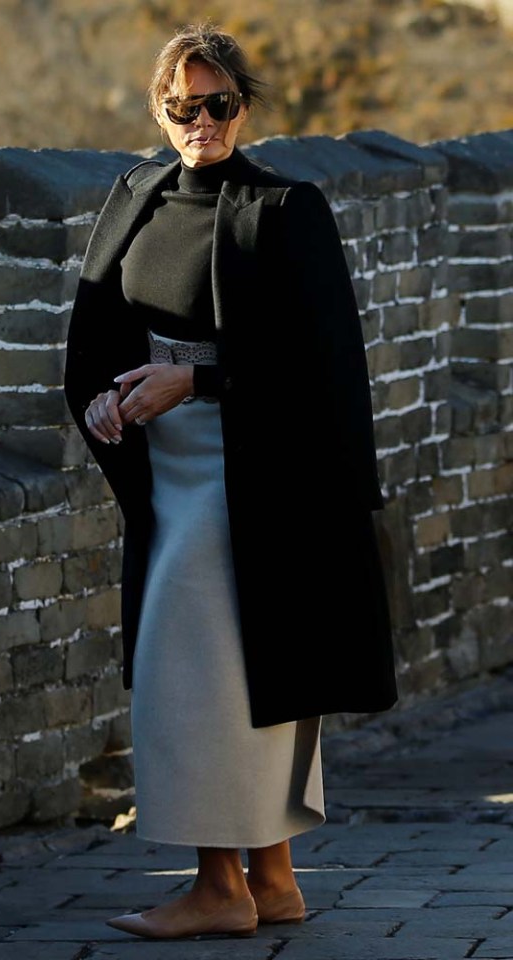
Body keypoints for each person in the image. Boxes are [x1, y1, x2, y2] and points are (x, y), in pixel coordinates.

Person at [64, 22, 398, 940]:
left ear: (241, 106)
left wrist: (199, 380)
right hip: (163, 457)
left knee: (203, 664)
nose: (198, 121)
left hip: (256, 462)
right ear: (160, 110)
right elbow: (102, 322)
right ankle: (274, 882)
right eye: (181, 106)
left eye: (215, 104)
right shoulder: (137, 193)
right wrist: (106, 400)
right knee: (235, 665)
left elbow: (323, 365)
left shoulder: (288, 208)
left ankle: (218, 887)